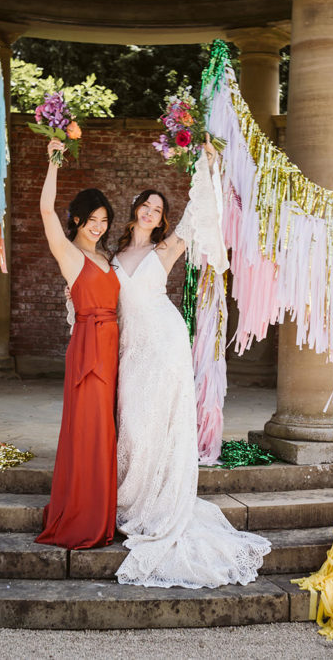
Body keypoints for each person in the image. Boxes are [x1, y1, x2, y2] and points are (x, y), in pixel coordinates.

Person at [111, 141, 271, 588]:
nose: (151, 212)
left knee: (157, 422)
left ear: (162, 220)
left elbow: (200, 213)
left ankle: (159, 505)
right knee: (134, 425)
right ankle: (134, 498)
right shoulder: (112, 257)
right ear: (136, 211)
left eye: (158, 209)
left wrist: (211, 166)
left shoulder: (166, 251)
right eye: (146, 205)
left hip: (164, 343)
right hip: (131, 348)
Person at [34, 139, 119, 550]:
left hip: (113, 350)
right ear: (78, 219)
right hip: (88, 353)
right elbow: (46, 211)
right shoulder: (70, 255)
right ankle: (83, 515)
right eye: (91, 218)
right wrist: (53, 162)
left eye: (104, 219)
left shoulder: (107, 257)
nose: (98, 225)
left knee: (105, 432)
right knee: (88, 431)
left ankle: (102, 512)